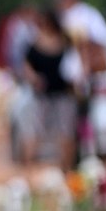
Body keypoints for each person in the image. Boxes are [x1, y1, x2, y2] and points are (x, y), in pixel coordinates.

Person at [55, 0, 106, 164]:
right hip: (77, 75)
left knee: (81, 118)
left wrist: (84, 70)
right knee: (80, 119)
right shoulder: (85, 14)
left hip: (81, 76)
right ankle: (83, 157)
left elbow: (89, 45)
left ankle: (85, 158)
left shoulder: (79, 16)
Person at [21, 10, 75, 165]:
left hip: (63, 94)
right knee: (34, 132)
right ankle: (29, 171)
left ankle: (66, 171)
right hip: (42, 95)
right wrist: (34, 78)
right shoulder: (35, 44)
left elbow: (75, 64)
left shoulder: (66, 42)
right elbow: (27, 67)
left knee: (65, 133)